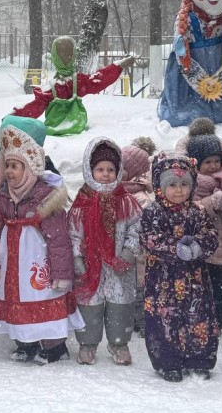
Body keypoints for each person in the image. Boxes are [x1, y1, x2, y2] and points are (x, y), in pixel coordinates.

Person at [0, 117, 83, 364]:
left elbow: (59, 239)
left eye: (15, 166)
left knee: (42, 299)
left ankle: (54, 346)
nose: (9, 171)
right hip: (12, 262)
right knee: (17, 299)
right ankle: (25, 342)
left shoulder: (45, 197)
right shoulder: (5, 197)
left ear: (29, 169)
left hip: (37, 261)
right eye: (6, 166)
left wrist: (62, 273)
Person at [140, 152, 219, 382]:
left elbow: (211, 236)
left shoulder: (197, 211)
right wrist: (174, 248)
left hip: (194, 279)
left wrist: (198, 246)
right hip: (162, 279)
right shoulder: (153, 212)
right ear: (159, 187)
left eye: (184, 184)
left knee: (198, 317)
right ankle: (168, 362)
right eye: (172, 184)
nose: (179, 190)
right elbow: (148, 238)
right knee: (165, 319)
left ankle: (200, 359)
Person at [69, 138, 141, 366]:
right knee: (90, 304)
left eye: (111, 169)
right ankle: (88, 343)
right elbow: (73, 233)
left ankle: (119, 343)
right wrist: (77, 258)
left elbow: (136, 229)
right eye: (100, 169)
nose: (106, 174)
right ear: (90, 171)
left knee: (120, 305)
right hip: (91, 266)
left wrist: (129, 253)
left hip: (120, 266)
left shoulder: (126, 201)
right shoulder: (82, 203)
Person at [11, 35, 134, 136]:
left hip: (54, 134)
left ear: (54, 58)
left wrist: (14, 116)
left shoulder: (50, 89)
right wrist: (118, 66)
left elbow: (34, 109)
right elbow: (100, 80)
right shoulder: (79, 82)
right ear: (74, 56)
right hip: (78, 131)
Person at [186, 127, 222, 332]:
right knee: (200, 287)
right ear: (197, 163)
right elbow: (190, 212)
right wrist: (212, 203)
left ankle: (219, 323)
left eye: (216, 161)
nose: (213, 166)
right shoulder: (188, 182)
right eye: (207, 162)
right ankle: (200, 320)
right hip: (201, 248)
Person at [119, 137, 156, 337]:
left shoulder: (141, 197)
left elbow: (144, 225)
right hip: (121, 248)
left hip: (139, 251)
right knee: (124, 285)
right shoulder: (115, 191)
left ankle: (142, 321)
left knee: (139, 286)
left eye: (122, 167)